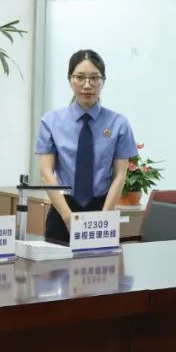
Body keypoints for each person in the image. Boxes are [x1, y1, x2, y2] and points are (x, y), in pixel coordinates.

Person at [35, 49, 137, 244]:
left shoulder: (119, 123)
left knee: (101, 264)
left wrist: (104, 219)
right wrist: (68, 218)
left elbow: (120, 174)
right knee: (57, 264)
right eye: (80, 77)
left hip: (102, 209)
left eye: (94, 78)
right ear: (70, 80)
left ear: (103, 81)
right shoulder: (51, 121)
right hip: (62, 210)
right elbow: (46, 173)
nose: (87, 85)